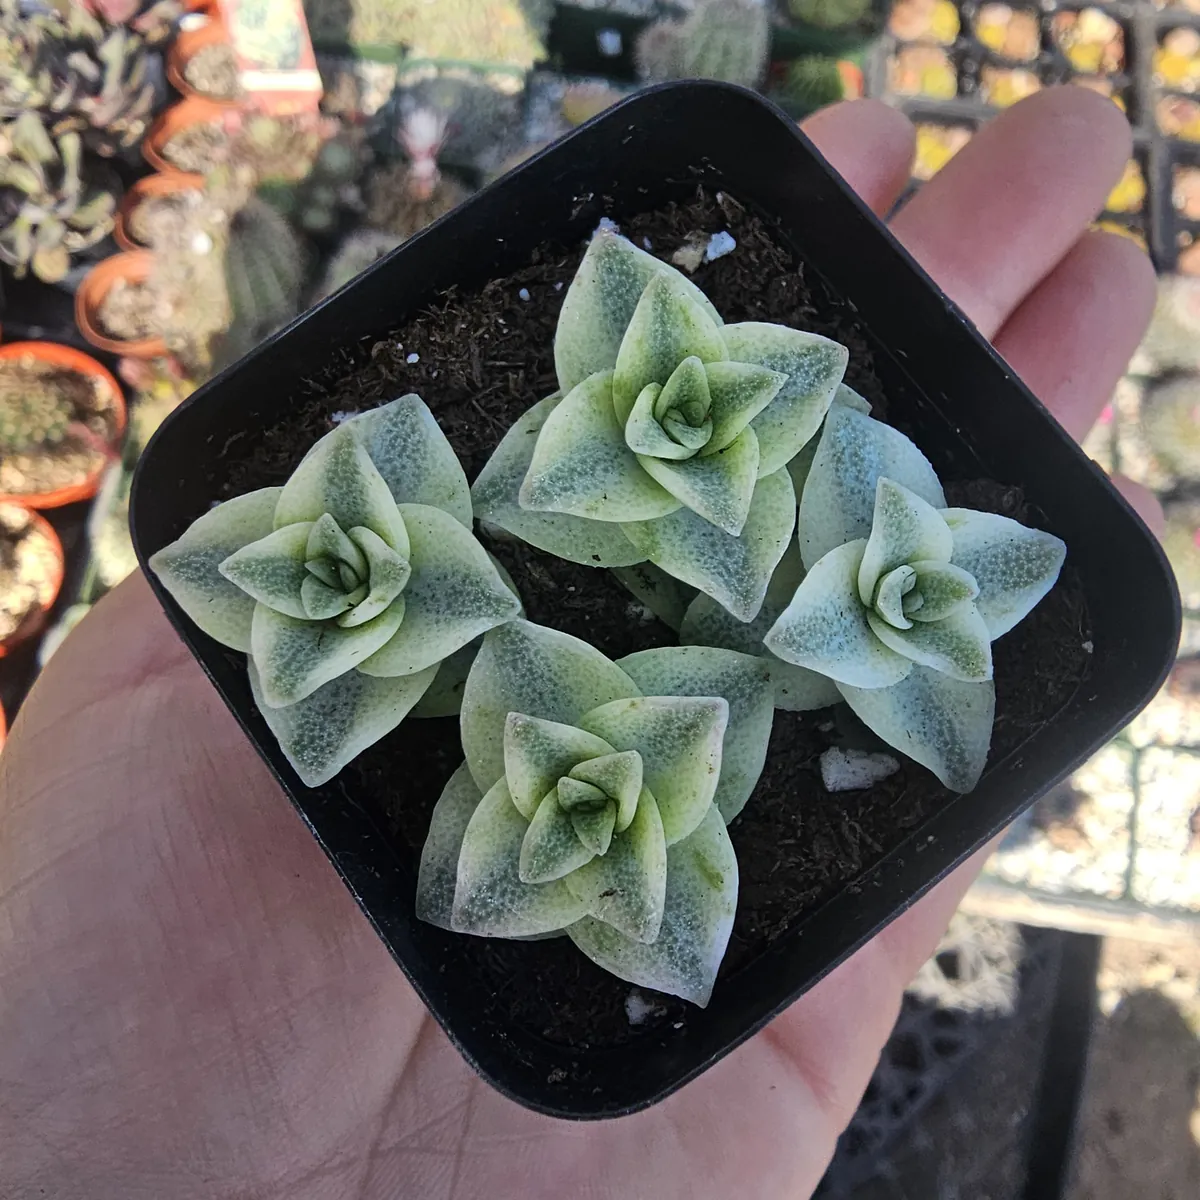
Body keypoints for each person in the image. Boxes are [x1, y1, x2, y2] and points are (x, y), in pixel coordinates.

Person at [0, 88, 1163, 1199]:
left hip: (733, 585)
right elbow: (570, 638)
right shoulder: (507, 595)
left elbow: (755, 585)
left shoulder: (772, 560)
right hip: (636, 593)